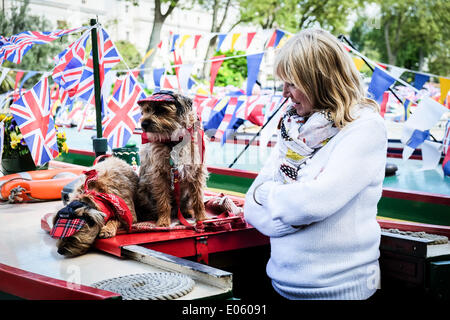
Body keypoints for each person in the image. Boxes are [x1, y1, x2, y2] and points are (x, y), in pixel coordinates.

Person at [244, 28, 387, 300]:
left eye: (292, 83)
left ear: (318, 82)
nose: (285, 93)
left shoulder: (365, 128)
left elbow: (311, 204)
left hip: (344, 292)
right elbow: (251, 206)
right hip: (280, 285)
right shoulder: (294, 130)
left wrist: (272, 200)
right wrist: (290, 214)